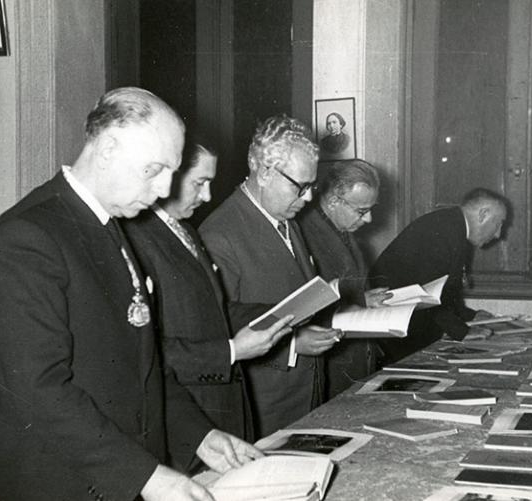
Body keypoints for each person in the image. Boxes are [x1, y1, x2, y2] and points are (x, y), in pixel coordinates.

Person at [0, 87, 261, 501]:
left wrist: (200, 435)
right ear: (107, 149)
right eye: (155, 169)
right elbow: (39, 392)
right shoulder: (26, 239)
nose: (165, 188)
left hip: (115, 476)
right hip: (55, 485)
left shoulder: (112, 227)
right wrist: (147, 477)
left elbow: (142, 365)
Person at [123, 138, 294, 471]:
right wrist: (231, 352)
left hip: (223, 413)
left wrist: (285, 313)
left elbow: (216, 311)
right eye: (200, 183)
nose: (207, 197)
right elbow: (146, 351)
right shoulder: (136, 239)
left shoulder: (185, 231)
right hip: (187, 421)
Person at [200, 114, 341, 437]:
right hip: (263, 410)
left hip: (306, 399)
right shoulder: (220, 234)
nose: (308, 198)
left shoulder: (288, 222)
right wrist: (291, 344)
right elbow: (219, 332)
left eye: (312, 186)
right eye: (300, 186)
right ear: (264, 172)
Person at [369, 187, 509, 364]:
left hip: (408, 328)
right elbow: (428, 293)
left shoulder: (452, 227)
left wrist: (470, 316)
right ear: (483, 214)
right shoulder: (443, 232)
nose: (498, 234)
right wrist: (462, 332)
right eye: (498, 223)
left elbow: (446, 292)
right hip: (393, 335)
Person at [298, 159, 389, 399]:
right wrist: (358, 298)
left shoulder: (343, 230)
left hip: (356, 362)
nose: (369, 219)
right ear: (333, 200)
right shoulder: (304, 234)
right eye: (361, 211)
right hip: (330, 368)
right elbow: (307, 304)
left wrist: (363, 298)